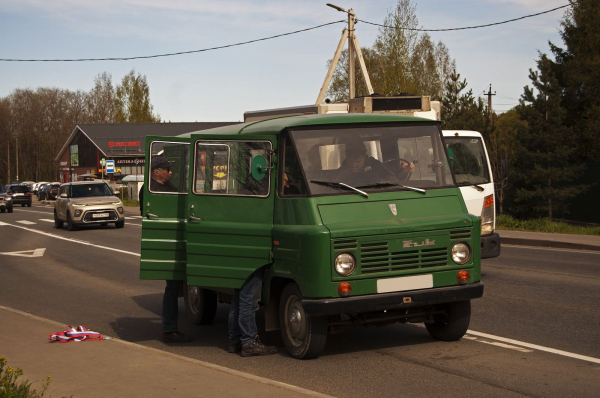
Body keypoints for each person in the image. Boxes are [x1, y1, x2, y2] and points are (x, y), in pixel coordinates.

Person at [146, 156, 191, 344]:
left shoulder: (167, 186)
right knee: (172, 286)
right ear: (157, 171)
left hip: (175, 238)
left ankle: (170, 327)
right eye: (167, 169)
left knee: (173, 285)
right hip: (166, 240)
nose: (170, 172)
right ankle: (169, 329)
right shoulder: (151, 190)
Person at [228, 267, 277, 357]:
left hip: (239, 262)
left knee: (237, 299)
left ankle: (235, 341)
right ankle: (249, 342)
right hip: (253, 264)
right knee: (249, 300)